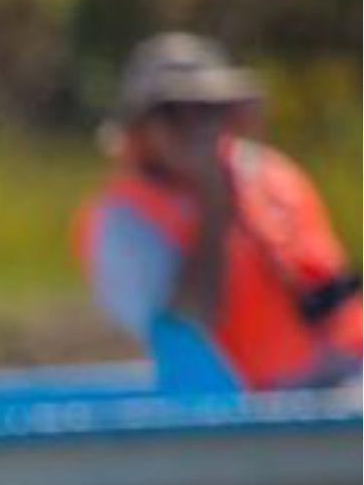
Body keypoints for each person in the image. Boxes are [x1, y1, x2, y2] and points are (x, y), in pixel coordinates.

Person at [75, 34, 361, 392]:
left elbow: (331, 288)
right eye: (172, 112)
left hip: (345, 383)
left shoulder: (273, 176)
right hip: (246, 410)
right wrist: (212, 198)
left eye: (207, 108)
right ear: (141, 125)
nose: (194, 124)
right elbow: (185, 329)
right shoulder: (123, 220)